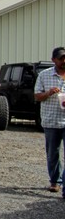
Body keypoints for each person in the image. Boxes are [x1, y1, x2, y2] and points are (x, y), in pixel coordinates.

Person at [34, 46, 65, 193]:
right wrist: (49, 92)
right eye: (61, 58)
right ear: (53, 60)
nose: (64, 61)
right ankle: (55, 181)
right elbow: (37, 96)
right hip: (51, 120)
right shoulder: (44, 75)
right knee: (53, 153)